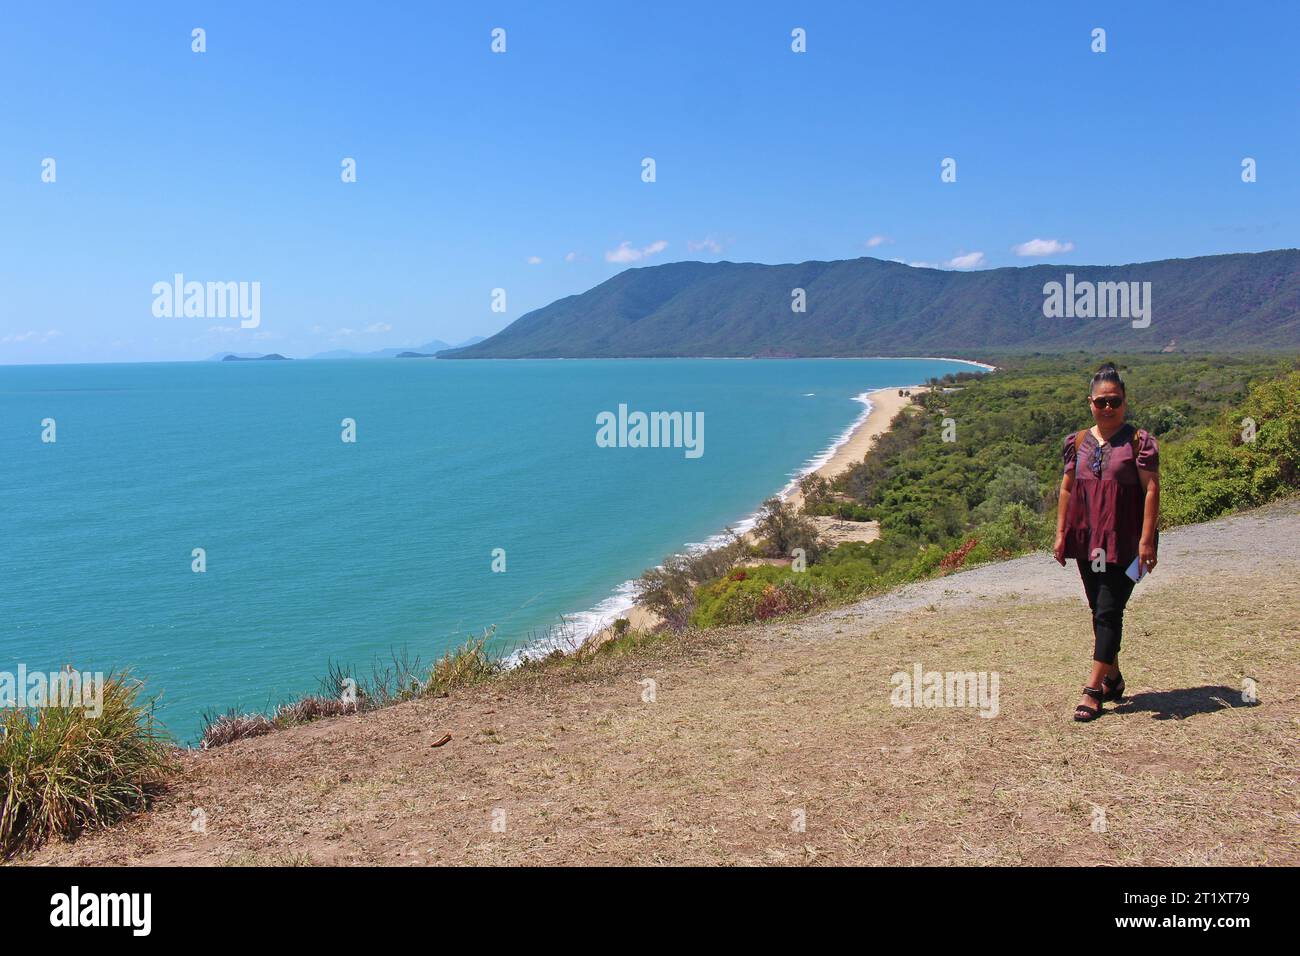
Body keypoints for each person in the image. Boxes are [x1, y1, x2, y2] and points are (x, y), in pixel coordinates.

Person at [1053, 362, 1160, 722]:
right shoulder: (1078, 442)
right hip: (1087, 540)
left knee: (1110, 609)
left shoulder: (1139, 442)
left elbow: (1151, 490)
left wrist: (1147, 541)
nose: (1108, 408)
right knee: (1098, 610)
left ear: (1125, 401)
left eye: (1114, 401)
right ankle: (1112, 678)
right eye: (1101, 402)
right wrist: (1061, 534)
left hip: (1127, 542)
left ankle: (1093, 690)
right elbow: (1067, 489)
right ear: (1090, 403)